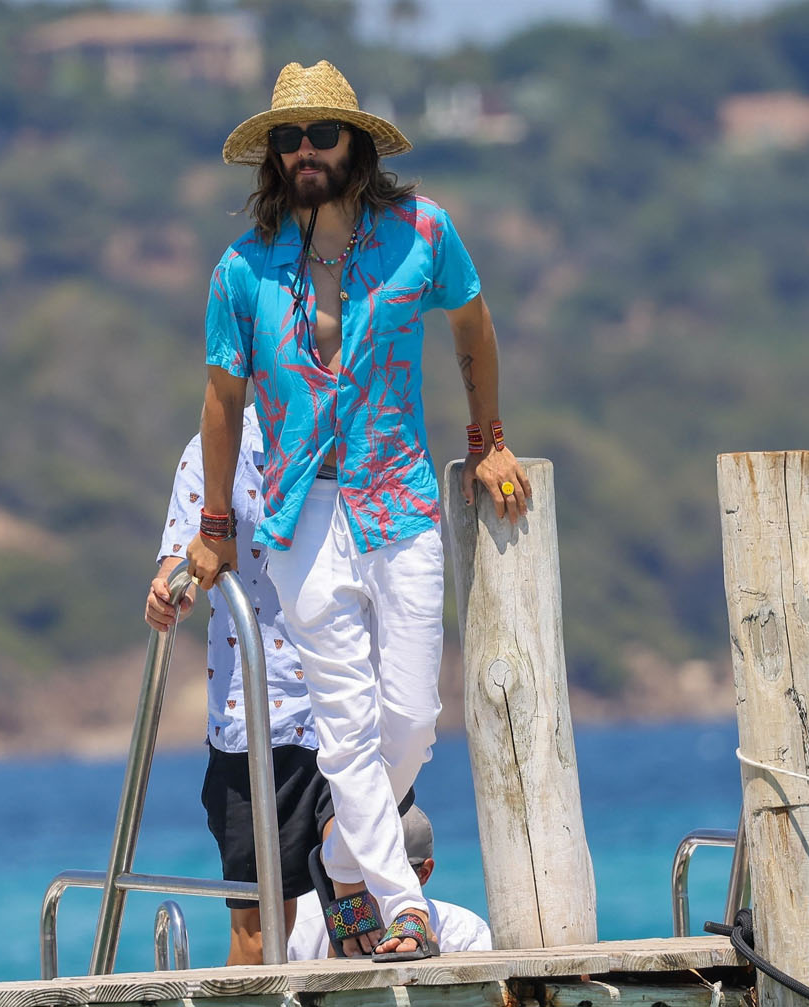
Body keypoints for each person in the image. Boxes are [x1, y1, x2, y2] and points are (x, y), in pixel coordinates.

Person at [185, 60, 530, 961]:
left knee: (410, 716)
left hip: (400, 500)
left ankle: (340, 849)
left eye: (321, 135)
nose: (305, 151)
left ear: (357, 145)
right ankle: (399, 907)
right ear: (272, 156)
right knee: (343, 719)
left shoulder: (423, 232)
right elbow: (222, 401)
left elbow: (473, 325)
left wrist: (488, 439)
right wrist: (215, 528)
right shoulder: (242, 270)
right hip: (302, 515)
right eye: (287, 138)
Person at [145, 403, 331, 965]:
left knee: (355, 900)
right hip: (252, 716)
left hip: (342, 702)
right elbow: (178, 562)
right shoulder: (215, 447)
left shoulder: (347, 418)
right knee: (259, 930)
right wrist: (166, 593)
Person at [289, 806, 492, 960]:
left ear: (424, 873)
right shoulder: (300, 927)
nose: (373, 889)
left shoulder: (464, 933)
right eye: (358, 877)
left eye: (397, 876)